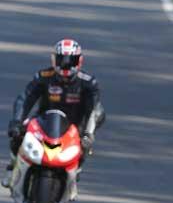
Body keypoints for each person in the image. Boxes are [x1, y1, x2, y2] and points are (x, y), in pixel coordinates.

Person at [2, 39, 105, 189]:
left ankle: (74, 175)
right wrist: (17, 121)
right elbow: (25, 98)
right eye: (62, 60)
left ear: (79, 61)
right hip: (44, 121)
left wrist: (89, 134)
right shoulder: (43, 76)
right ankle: (12, 167)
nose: (66, 64)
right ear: (54, 59)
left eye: (71, 60)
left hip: (74, 126)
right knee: (18, 134)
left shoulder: (88, 83)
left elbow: (94, 109)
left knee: (84, 144)